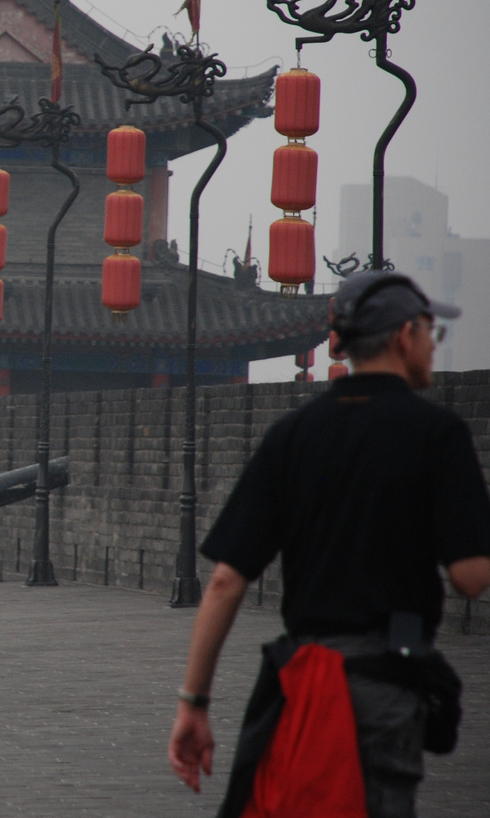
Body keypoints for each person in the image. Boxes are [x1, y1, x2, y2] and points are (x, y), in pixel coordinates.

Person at [169, 271, 490, 817]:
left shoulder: (294, 434)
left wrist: (194, 703)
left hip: (305, 681)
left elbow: (225, 581)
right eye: (430, 334)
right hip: (387, 681)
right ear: (402, 336)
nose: (431, 349)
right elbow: (471, 576)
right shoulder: (437, 434)